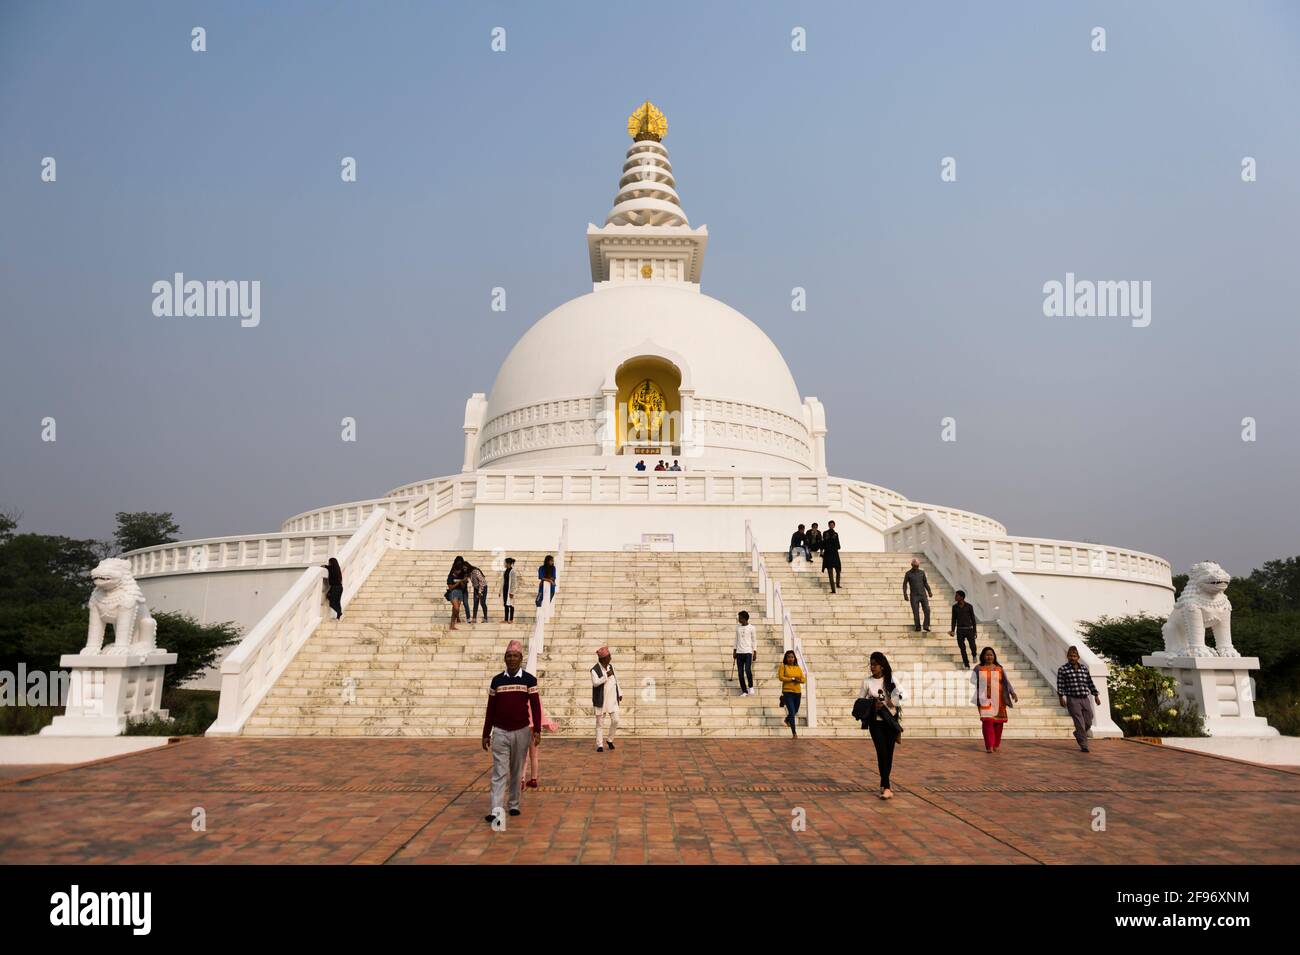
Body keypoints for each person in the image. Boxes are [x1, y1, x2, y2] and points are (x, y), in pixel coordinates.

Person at [481, 640, 542, 824]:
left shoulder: (529, 680)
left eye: (515, 656)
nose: (512, 659)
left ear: (521, 658)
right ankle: (496, 811)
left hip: (522, 731)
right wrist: (486, 732)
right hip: (500, 731)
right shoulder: (497, 681)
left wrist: (537, 730)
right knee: (499, 772)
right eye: (509, 656)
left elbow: (536, 706)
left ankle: (514, 804)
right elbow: (490, 708)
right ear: (504, 659)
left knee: (516, 770)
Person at [858, 651, 904, 800]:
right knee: (881, 753)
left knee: (889, 754)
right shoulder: (867, 682)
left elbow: (902, 695)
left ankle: (884, 783)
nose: (872, 667)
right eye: (871, 664)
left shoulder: (891, 680)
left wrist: (892, 701)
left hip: (890, 721)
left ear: (882, 666)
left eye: (875, 665)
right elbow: (859, 702)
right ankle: (887, 786)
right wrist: (872, 704)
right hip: (875, 723)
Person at [972, 647, 1018, 753]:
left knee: (998, 723)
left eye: (991, 655)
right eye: (987, 655)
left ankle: (996, 744)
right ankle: (989, 746)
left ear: (994, 656)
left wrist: (1012, 693)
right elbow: (973, 680)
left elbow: (1006, 682)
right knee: (987, 721)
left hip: (999, 700)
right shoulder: (978, 668)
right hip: (984, 700)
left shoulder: (999, 668)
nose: (989, 657)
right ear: (983, 656)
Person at [1057, 645, 1102, 753]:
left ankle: (1078, 734)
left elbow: (1090, 683)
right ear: (1067, 656)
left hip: (1085, 698)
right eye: (1070, 656)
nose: (1072, 658)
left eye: (1074, 656)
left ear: (1078, 657)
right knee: (1079, 723)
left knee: (1089, 720)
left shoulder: (1084, 669)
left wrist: (1096, 695)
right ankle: (1084, 745)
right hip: (1072, 699)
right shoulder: (1063, 669)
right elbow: (1060, 685)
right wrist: (1061, 697)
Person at [523, 694, 560, 789]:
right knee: (534, 755)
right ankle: (534, 779)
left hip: (523, 727)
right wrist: (547, 725)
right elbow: (540, 713)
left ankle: (521, 779)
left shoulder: (521, 693)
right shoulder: (535, 695)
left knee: (523, 756)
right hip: (535, 729)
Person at [591, 646, 622, 751]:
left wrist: (620, 693)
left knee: (616, 720)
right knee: (600, 723)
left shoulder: (611, 667)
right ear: (603, 659)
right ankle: (600, 745)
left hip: (612, 700)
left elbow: (616, 681)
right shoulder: (594, 670)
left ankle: (610, 739)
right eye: (609, 657)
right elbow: (595, 683)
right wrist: (605, 677)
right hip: (601, 700)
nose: (610, 658)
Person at [777, 650, 805, 738]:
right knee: (792, 712)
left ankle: (787, 719)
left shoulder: (797, 667)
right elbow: (781, 677)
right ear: (786, 658)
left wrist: (799, 680)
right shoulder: (783, 666)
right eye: (788, 657)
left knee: (795, 710)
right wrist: (792, 679)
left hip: (797, 692)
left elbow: (803, 679)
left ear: (794, 658)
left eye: (792, 657)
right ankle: (794, 733)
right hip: (787, 692)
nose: (790, 659)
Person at [948, 590, 978, 668]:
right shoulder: (954, 607)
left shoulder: (969, 606)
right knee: (962, 648)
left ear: (961, 597)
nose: (955, 597)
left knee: (972, 645)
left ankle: (974, 655)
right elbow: (953, 619)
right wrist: (952, 630)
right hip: (960, 630)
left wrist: (975, 631)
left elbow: (973, 620)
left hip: (969, 629)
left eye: (957, 596)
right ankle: (966, 664)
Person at [902, 558, 933, 632]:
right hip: (914, 596)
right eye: (915, 566)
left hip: (923, 595)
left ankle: (926, 625)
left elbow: (925, 583)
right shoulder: (908, 573)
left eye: (917, 566)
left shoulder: (922, 573)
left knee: (927, 610)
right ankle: (918, 626)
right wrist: (905, 594)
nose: (916, 567)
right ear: (912, 565)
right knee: (915, 611)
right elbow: (904, 584)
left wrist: (929, 591)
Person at [734, 610, 757, 696]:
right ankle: (744, 691)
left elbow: (754, 640)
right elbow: (736, 639)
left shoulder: (752, 628)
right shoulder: (737, 627)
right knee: (740, 673)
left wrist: (755, 652)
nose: (738, 619)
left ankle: (750, 687)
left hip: (748, 652)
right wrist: (734, 650)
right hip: (739, 652)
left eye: (740, 618)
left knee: (747, 670)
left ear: (744, 618)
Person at [445, 556, 469, 630]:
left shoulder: (463, 572)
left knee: (456, 609)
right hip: (453, 592)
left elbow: (464, 585)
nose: (458, 572)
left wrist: (464, 581)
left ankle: (456, 619)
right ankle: (452, 624)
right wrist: (458, 583)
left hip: (460, 592)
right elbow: (450, 587)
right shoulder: (451, 575)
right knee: (456, 608)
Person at [821, 520, 842, 593]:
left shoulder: (836, 534)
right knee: (830, 572)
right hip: (829, 554)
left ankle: (838, 584)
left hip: (834, 554)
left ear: (834, 525)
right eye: (830, 525)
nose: (831, 526)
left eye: (832, 525)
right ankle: (833, 589)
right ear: (829, 525)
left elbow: (838, 546)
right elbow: (824, 543)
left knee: (838, 570)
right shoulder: (825, 533)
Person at [501, 557, 518, 624]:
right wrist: (500, 591)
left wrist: (512, 592)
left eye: (505, 563)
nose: (504, 564)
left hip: (510, 590)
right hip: (505, 589)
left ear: (508, 563)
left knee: (511, 604)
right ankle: (505, 619)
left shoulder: (512, 571)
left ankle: (511, 619)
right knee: (505, 604)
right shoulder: (505, 571)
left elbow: (514, 582)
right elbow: (503, 581)